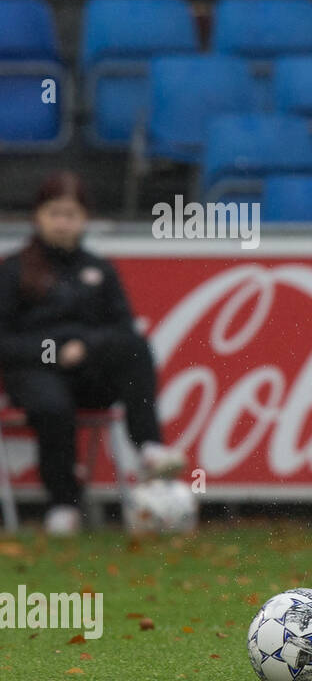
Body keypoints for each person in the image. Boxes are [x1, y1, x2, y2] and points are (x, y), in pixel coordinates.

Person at [0, 171, 187, 536]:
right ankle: (63, 503)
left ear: (84, 218)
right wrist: (51, 351)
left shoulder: (99, 270)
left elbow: (122, 328)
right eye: (54, 213)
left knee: (134, 347)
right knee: (52, 406)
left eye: (70, 214)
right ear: (38, 216)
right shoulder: (14, 271)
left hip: (87, 372)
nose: (62, 223)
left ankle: (148, 446)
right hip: (35, 372)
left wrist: (84, 348)